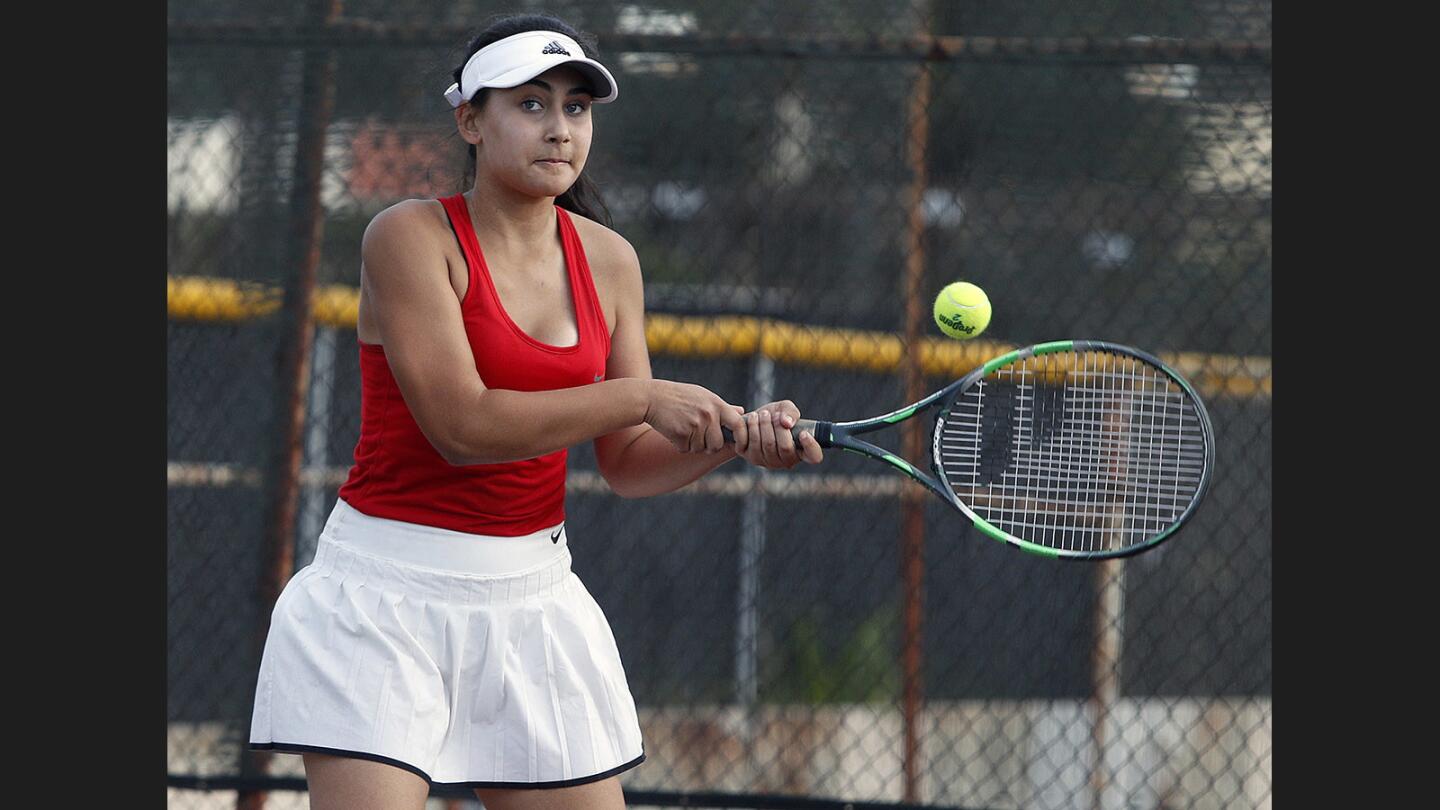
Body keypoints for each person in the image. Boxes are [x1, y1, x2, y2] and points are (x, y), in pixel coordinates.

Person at [248, 12, 824, 810]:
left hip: (532, 601)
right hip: (382, 601)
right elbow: (462, 428)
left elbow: (625, 464)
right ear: (470, 120)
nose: (559, 129)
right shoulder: (409, 237)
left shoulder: (611, 260)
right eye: (531, 104)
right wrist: (644, 397)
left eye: (576, 108)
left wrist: (731, 444)